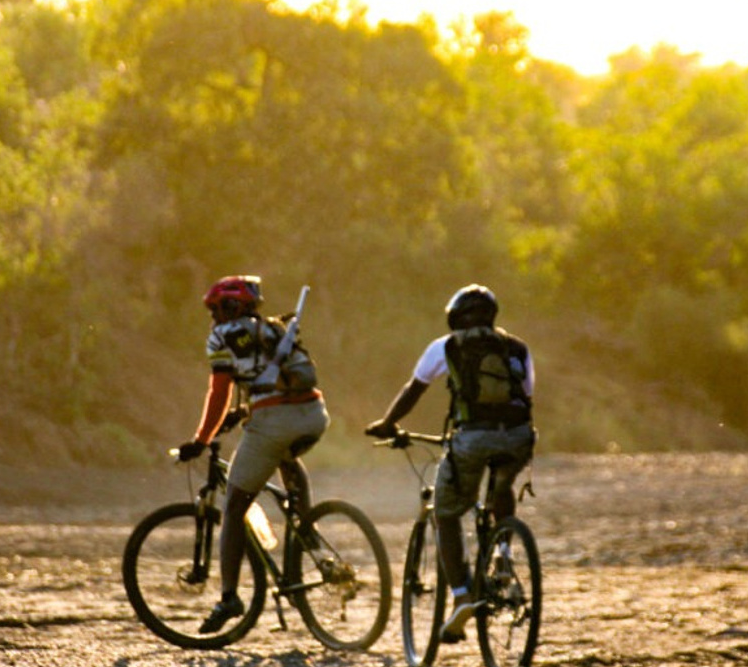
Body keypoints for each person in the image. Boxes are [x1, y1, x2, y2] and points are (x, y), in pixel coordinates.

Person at [366, 284, 535, 643]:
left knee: (445, 512)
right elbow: (527, 393)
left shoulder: (446, 345)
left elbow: (415, 388)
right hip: (519, 435)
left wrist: (388, 423)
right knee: (502, 483)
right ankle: (504, 552)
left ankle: (461, 595)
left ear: (455, 316)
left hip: (472, 437)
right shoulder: (517, 347)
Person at [178, 275, 329, 634]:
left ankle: (229, 597)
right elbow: (274, 383)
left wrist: (201, 439)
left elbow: (219, 393)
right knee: (287, 459)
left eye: (216, 308)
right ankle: (307, 535)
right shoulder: (276, 329)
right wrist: (244, 413)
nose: (213, 316)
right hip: (314, 414)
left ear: (231, 306)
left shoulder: (221, 337)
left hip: (274, 422)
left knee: (233, 506)